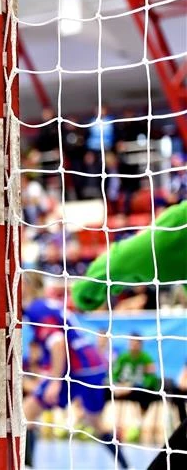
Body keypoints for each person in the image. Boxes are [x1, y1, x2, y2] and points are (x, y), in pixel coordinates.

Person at [72, 201, 186, 470]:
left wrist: (91, 289)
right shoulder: (115, 355)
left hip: (108, 388)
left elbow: (136, 254)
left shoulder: (137, 355)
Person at [23, 298, 130, 469]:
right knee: (95, 421)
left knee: (27, 412)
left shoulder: (36, 308)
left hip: (74, 369)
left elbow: (57, 342)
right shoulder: (51, 304)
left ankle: (26, 466)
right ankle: (126, 466)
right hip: (94, 367)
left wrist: (55, 381)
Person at [113, 333, 187, 424]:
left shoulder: (146, 358)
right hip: (122, 387)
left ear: (140, 345)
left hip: (140, 389)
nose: (133, 346)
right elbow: (114, 374)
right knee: (106, 392)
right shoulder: (123, 357)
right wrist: (116, 384)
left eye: (135, 343)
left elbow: (151, 379)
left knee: (144, 394)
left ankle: (138, 423)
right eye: (131, 343)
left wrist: (133, 385)